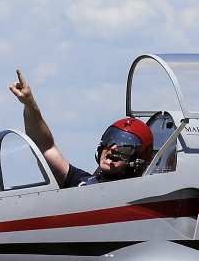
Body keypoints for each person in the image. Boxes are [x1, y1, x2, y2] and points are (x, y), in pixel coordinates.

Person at [10, 69, 154, 188]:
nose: (113, 148)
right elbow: (44, 147)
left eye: (125, 147)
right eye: (110, 140)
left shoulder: (142, 201)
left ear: (138, 160)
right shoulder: (81, 182)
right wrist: (29, 104)